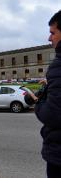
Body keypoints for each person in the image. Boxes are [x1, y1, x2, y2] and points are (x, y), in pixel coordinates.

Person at [34, 10, 61, 178]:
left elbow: (53, 114)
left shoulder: (58, 66)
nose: (49, 38)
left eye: (53, 33)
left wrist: (38, 100)